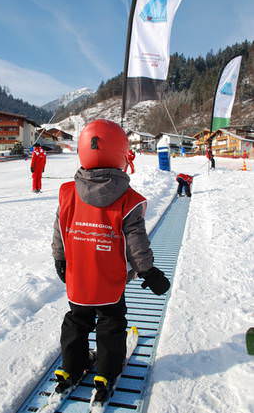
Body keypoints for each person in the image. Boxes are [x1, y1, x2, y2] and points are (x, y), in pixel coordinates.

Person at [51, 119, 170, 403]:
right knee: (111, 323)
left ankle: (70, 367)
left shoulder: (68, 193)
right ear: (121, 153)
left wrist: (59, 258)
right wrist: (148, 271)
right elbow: (136, 242)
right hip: (109, 282)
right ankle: (106, 371)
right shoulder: (128, 200)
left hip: (77, 279)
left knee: (76, 321)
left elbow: (60, 230)